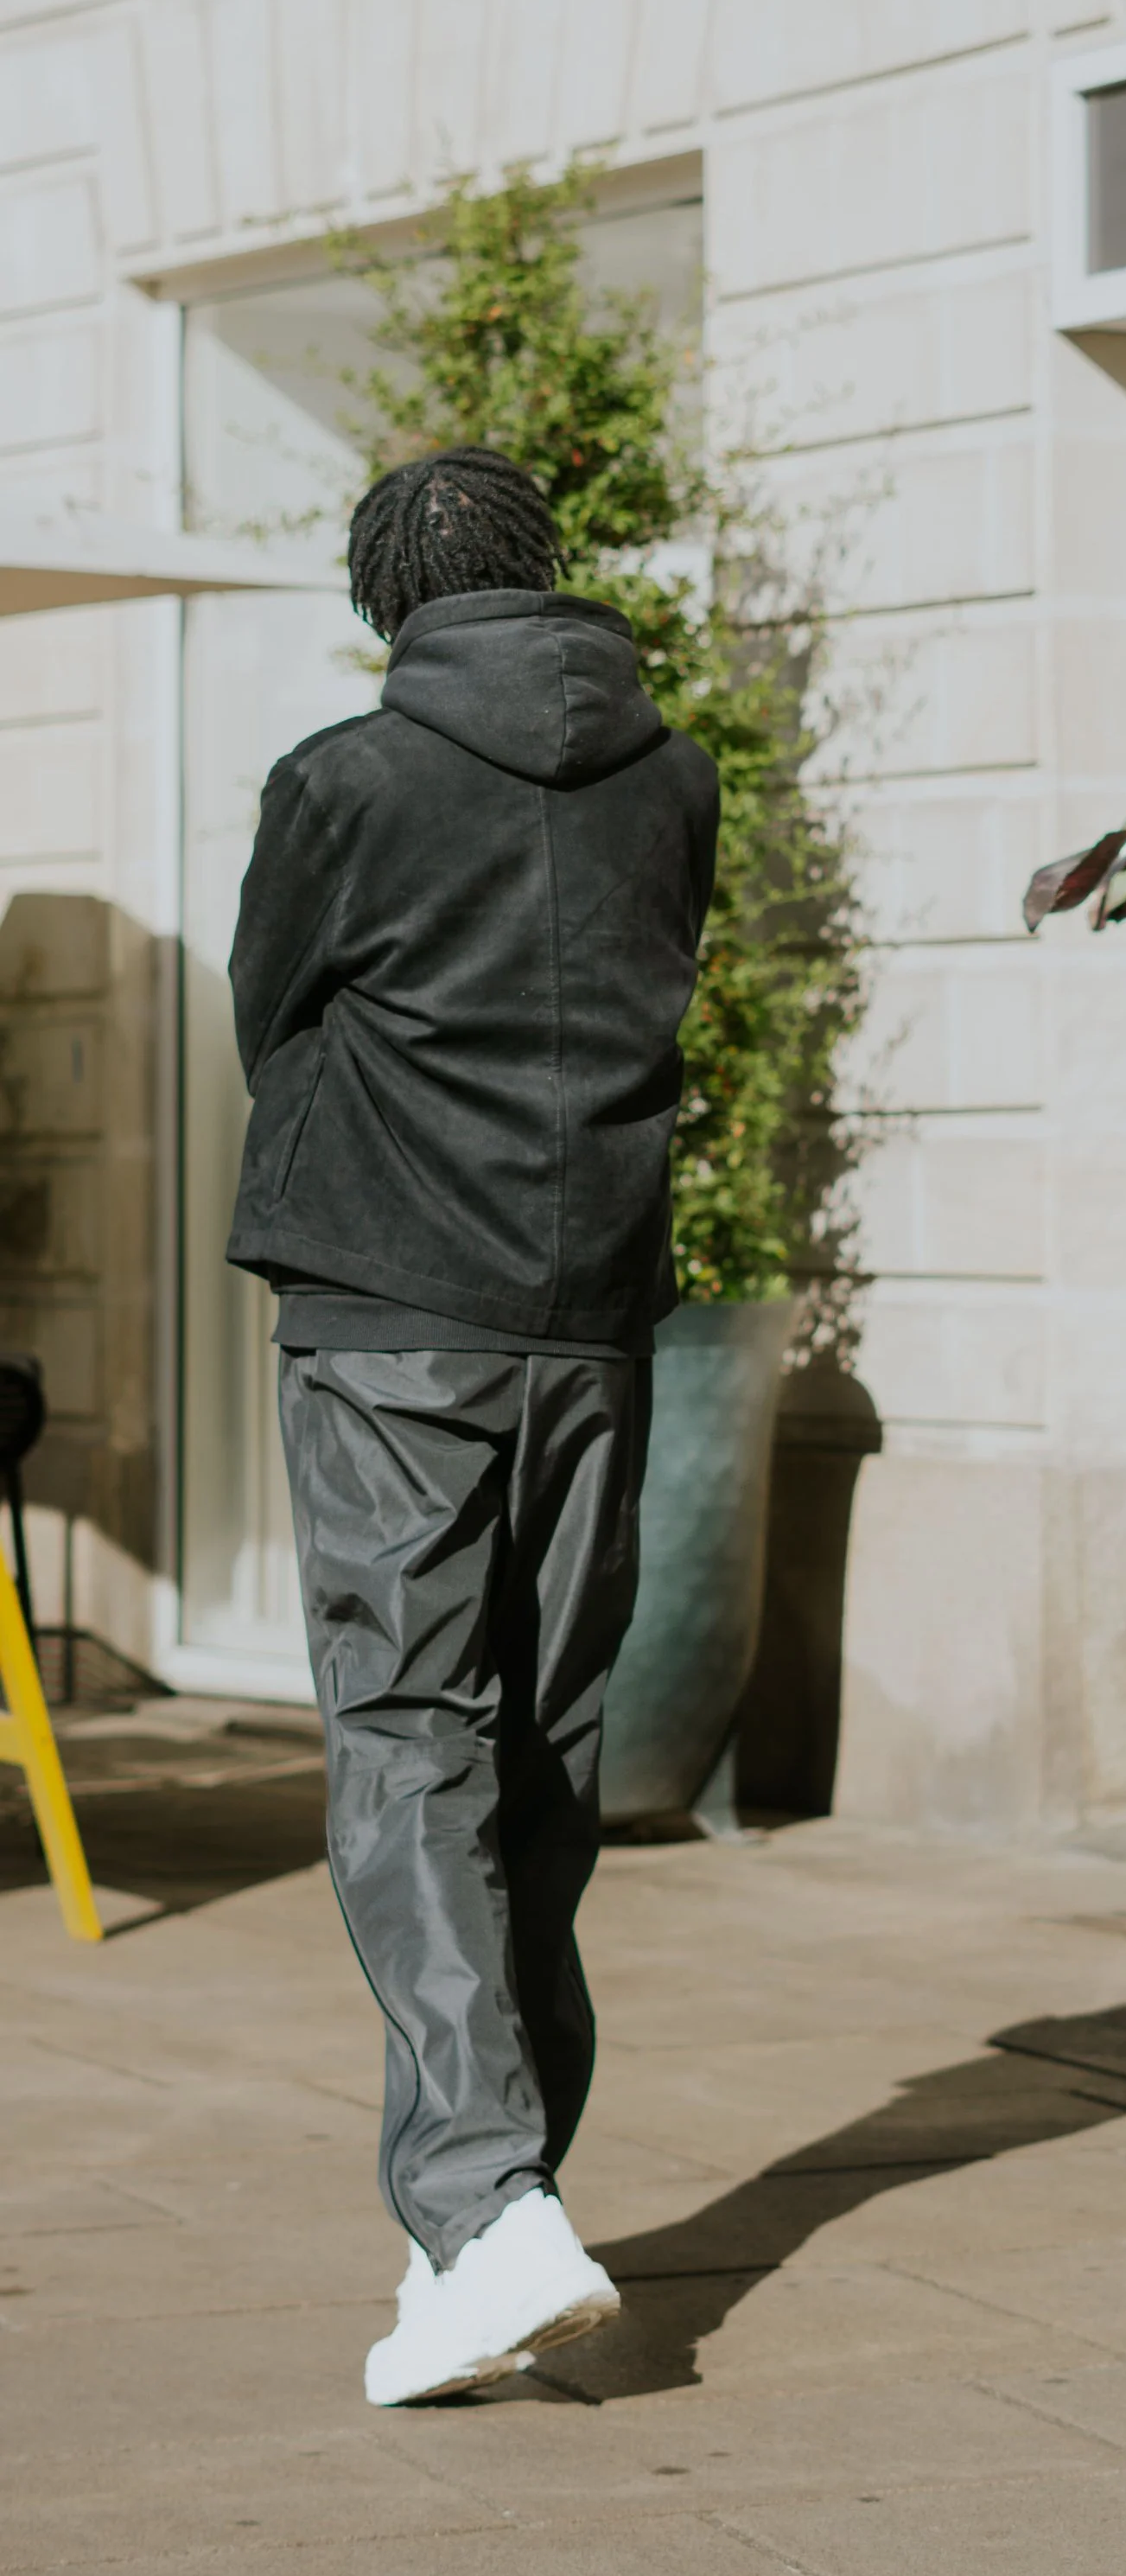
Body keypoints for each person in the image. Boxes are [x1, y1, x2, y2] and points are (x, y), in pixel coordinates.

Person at [226, 448, 717, 2405]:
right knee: (537, 1758)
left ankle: (487, 2207)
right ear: (543, 575)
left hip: (390, 1323)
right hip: (588, 1320)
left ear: (386, 604)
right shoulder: (671, 772)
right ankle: (495, 2226)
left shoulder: (343, 781)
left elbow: (276, 1012)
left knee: (409, 1745)